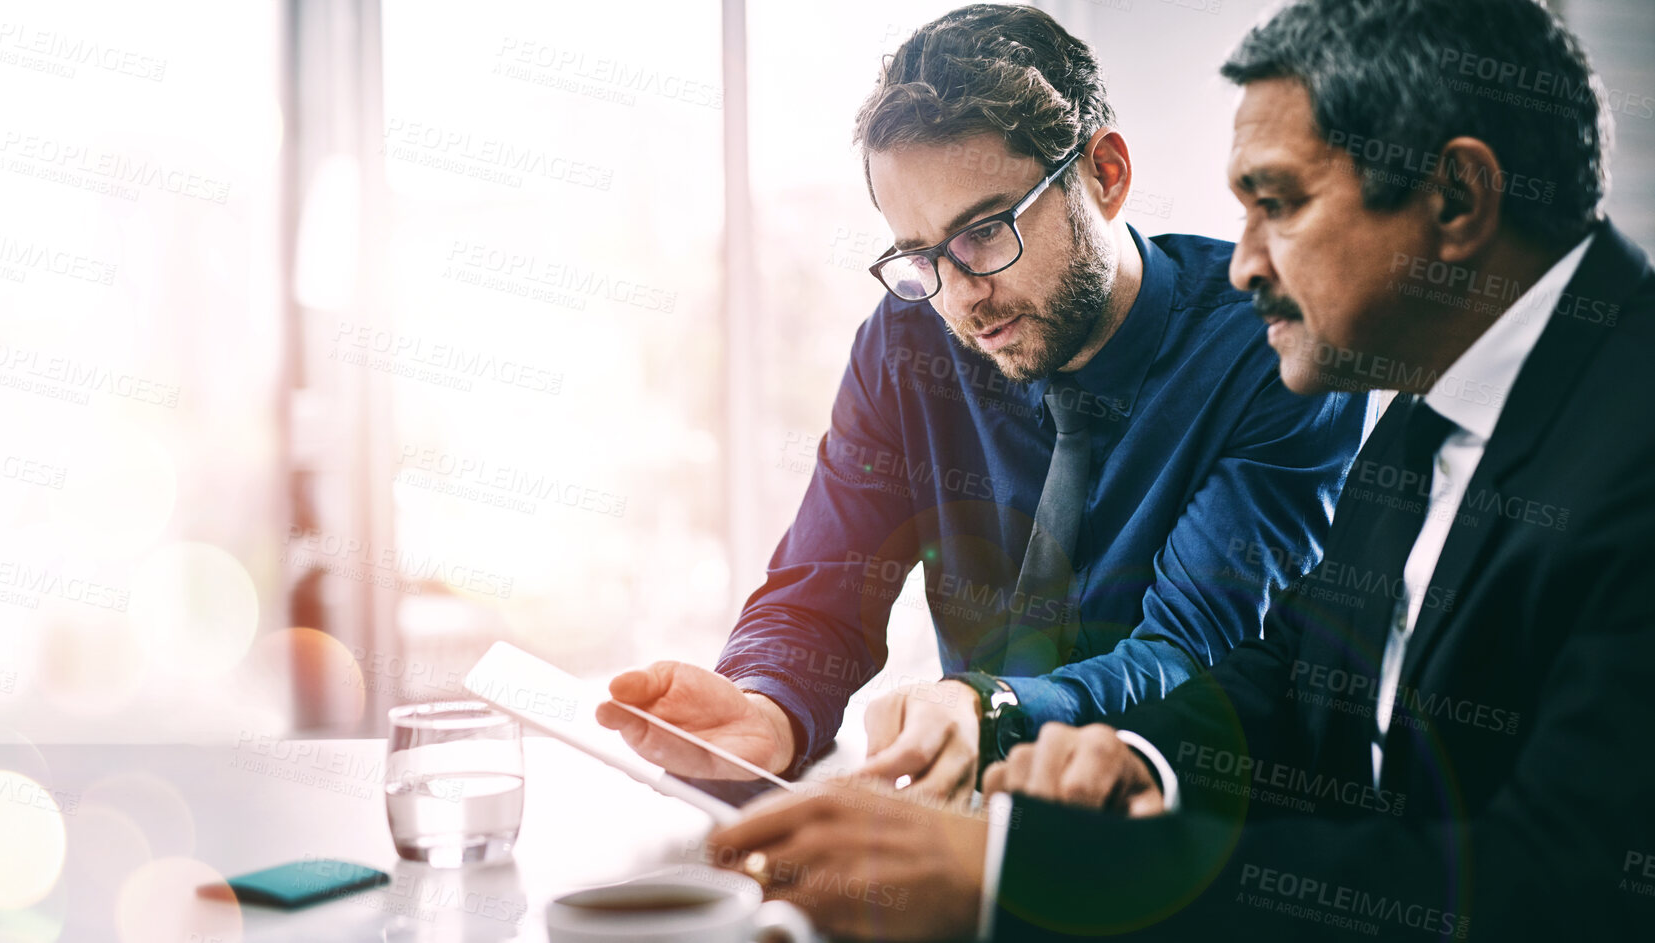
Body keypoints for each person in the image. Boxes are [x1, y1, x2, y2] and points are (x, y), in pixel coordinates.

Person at [703, 0, 1655, 939]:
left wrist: (1012, 877)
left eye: (1275, 205)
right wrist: (1136, 760)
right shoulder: (1425, 414)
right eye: (922, 255)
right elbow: (1288, 678)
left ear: (1453, 198)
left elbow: (1564, 889)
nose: (1243, 263)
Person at [596, 4, 1365, 802]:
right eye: (919, 254)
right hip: (956, 827)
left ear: (1104, 174)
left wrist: (989, 708)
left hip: (1177, 839)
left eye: (986, 231)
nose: (960, 295)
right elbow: (821, 590)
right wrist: (768, 705)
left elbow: (1187, 653)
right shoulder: (906, 344)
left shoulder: (1269, 347)